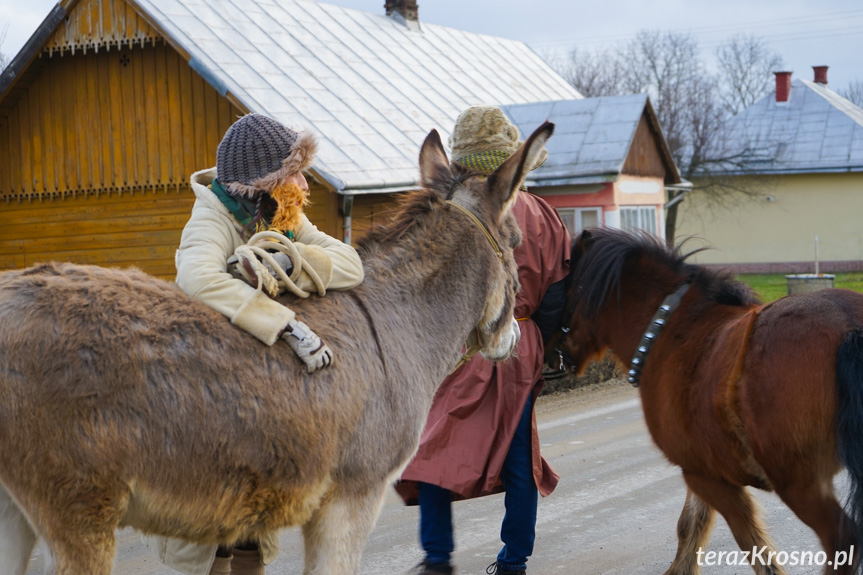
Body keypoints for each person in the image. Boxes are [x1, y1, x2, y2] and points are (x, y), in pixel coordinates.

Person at [146, 113, 364, 575]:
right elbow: (197, 276)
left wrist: (289, 259)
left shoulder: (282, 217)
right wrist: (282, 322)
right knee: (213, 530)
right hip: (206, 392)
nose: (304, 185)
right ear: (263, 183)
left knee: (253, 531)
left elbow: (350, 263)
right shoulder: (210, 217)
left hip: (257, 397)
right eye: (293, 174)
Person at [396, 106, 571, 575]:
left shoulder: (449, 211)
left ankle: (437, 559)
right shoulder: (545, 216)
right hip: (521, 345)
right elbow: (556, 299)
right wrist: (539, 346)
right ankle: (513, 562)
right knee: (519, 459)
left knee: (435, 447)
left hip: (457, 344)